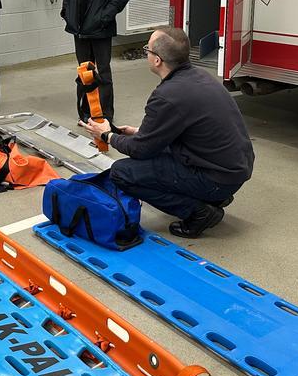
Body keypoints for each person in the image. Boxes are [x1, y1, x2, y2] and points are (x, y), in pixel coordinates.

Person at [82, 26, 254, 238]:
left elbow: (140, 151)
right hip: (234, 170)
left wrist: (107, 135)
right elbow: (179, 130)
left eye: (148, 49)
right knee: (158, 153)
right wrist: (139, 132)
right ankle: (213, 197)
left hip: (217, 178)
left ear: (157, 60)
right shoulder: (200, 76)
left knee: (121, 173)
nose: (146, 53)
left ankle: (199, 211)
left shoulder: (167, 95)